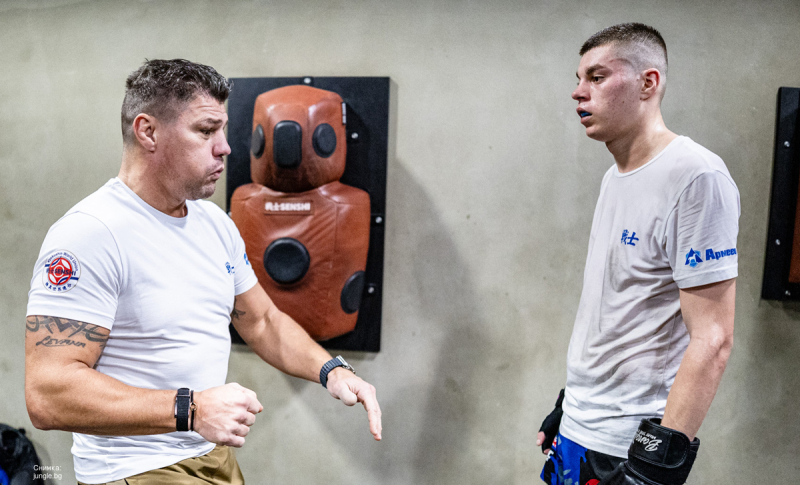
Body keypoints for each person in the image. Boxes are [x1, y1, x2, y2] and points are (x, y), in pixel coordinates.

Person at [25, 59, 382, 485]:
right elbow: (47, 394)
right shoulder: (91, 233)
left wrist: (332, 371)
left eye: (223, 130)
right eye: (206, 131)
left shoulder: (213, 223)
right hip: (134, 469)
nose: (225, 148)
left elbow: (263, 321)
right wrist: (190, 409)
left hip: (210, 453)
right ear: (148, 131)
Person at [536, 24, 739, 485]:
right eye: (578, 79)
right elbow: (619, 308)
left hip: (625, 445)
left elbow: (713, 340)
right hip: (580, 428)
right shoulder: (615, 177)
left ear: (648, 83)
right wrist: (570, 402)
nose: (578, 92)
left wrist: (655, 467)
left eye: (597, 77)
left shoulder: (696, 177)